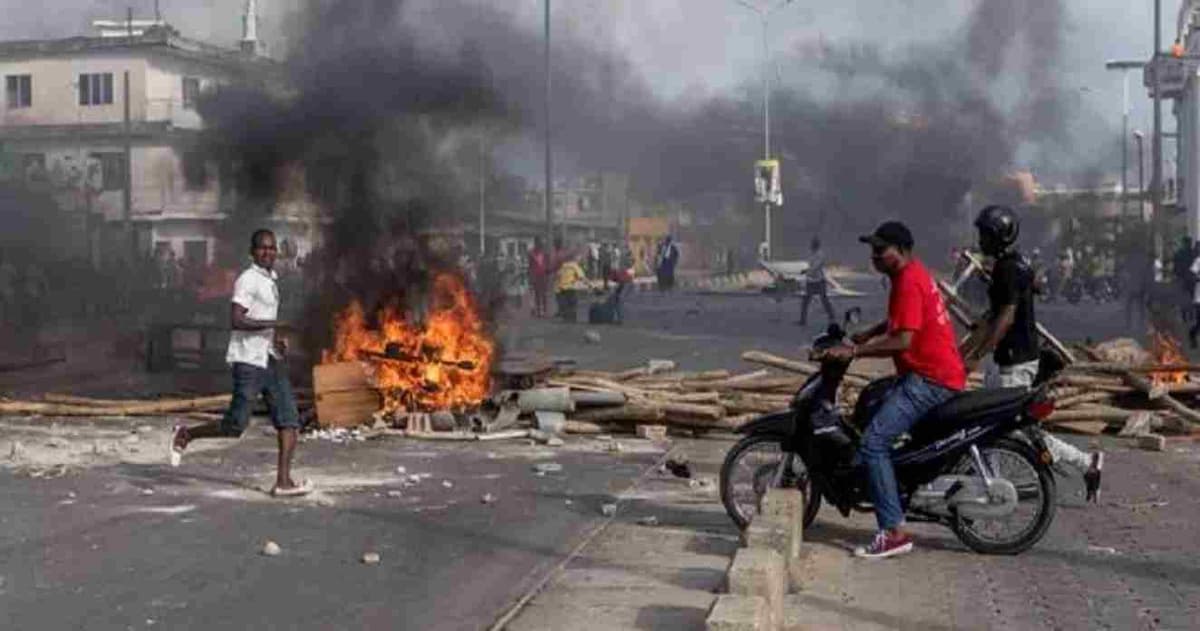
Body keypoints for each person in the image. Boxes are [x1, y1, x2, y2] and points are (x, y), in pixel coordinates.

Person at [821, 221, 965, 559]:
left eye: (880, 250)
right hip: (933, 373)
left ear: (901, 251)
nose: (874, 256)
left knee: (873, 444)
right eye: (872, 249)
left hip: (929, 379)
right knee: (872, 402)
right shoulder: (912, 275)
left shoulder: (908, 282)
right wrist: (868, 334)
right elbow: (901, 321)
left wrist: (854, 351)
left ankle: (893, 531)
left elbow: (903, 339)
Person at [959, 206, 1103, 502]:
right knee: (995, 426)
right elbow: (992, 316)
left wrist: (976, 355)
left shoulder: (1009, 269)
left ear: (999, 236)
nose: (981, 240)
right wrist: (962, 351)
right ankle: (992, 481)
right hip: (1008, 358)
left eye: (985, 234)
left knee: (1006, 429)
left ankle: (1084, 463)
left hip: (1015, 361)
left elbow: (1006, 317)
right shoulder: (1012, 265)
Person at [169, 230, 310, 497]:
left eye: (271, 248)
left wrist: (277, 339)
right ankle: (186, 434)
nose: (268, 252)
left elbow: (263, 318)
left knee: (289, 420)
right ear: (252, 252)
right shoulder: (247, 280)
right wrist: (274, 325)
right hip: (248, 361)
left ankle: (283, 481)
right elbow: (236, 319)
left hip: (270, 358)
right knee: (235, 425)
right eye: (262, 248)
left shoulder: (270, 280)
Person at [799, 237, 835, 326]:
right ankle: (803, 320)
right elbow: (812, 266)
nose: (812, 245)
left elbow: (816, 266)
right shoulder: (811, 254)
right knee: (806, 301)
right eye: (812, 243)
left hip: (819, 280)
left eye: (813, 244)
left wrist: (807, 271)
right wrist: (806, 271)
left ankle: (831, 316)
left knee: (824, 299)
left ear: (816, 245)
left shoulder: (820, 254)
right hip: (811, 280)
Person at [555, 252, 587, 322]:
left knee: (566, 305)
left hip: (560, 289)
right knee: (573, 304)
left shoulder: (564, 265)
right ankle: (571, 318)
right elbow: (582, 277)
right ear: (575, 259)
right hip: (569, 287)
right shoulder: (575, 266)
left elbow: (558, 275)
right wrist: (590, 285)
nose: (580, 260)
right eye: (579, 258)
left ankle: (566, 317)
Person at [1172, 236, 1194, 322]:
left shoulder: (1178, 253)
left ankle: (1184, 315)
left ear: (1183, 243)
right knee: (1191, 297)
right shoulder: (1193, 253)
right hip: (1191, 279)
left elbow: (1175, 267)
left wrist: (1176, 276)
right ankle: (1191, 315)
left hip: (1181, 279)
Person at [528, 237, 550, 317]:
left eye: (541, 243)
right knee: (537, 294)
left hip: (543, 275)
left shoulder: (545, 253)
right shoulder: (531, 253)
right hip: (535, 276)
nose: (540, 245)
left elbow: (547, 264)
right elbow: (530, 266)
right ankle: (539, 311)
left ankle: (544, 311)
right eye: (538, 243)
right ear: (535, 243)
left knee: (544, 294)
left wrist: (547, 275)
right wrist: (531, 277)